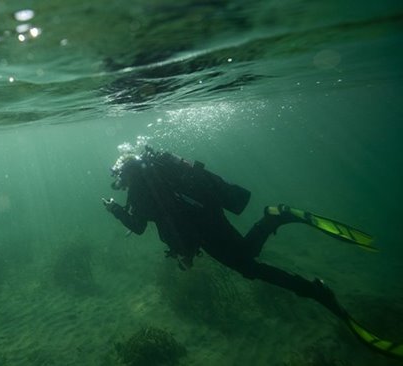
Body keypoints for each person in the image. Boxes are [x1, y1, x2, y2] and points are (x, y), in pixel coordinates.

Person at [102, 145, 399, 359]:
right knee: (247, 261)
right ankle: (305, 275)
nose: (121, 184)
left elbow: (139, 226)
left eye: (121, 178)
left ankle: (301, 266)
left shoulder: (139, 189)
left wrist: (114, 209)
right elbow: (175, 216)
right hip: (209, 216)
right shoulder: (161, 173)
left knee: (248, 265)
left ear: (126, 172)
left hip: (204, 231)